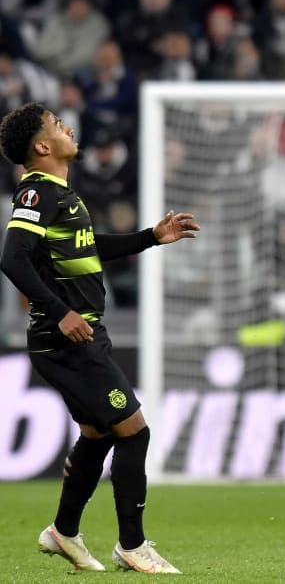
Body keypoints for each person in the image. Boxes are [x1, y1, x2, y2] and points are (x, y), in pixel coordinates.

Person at [0, 102, 200, 573]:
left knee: (98, 434)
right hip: (66, 338)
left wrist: (151, 236)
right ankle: (132, 546)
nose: (67, 125)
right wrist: (62, 312)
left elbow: (90, 246)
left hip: (83, 332)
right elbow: (12, 258)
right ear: (43, 145)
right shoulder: (36, 195)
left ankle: (63, 532)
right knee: (134, 430)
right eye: (55, 124)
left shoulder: (62, 195)